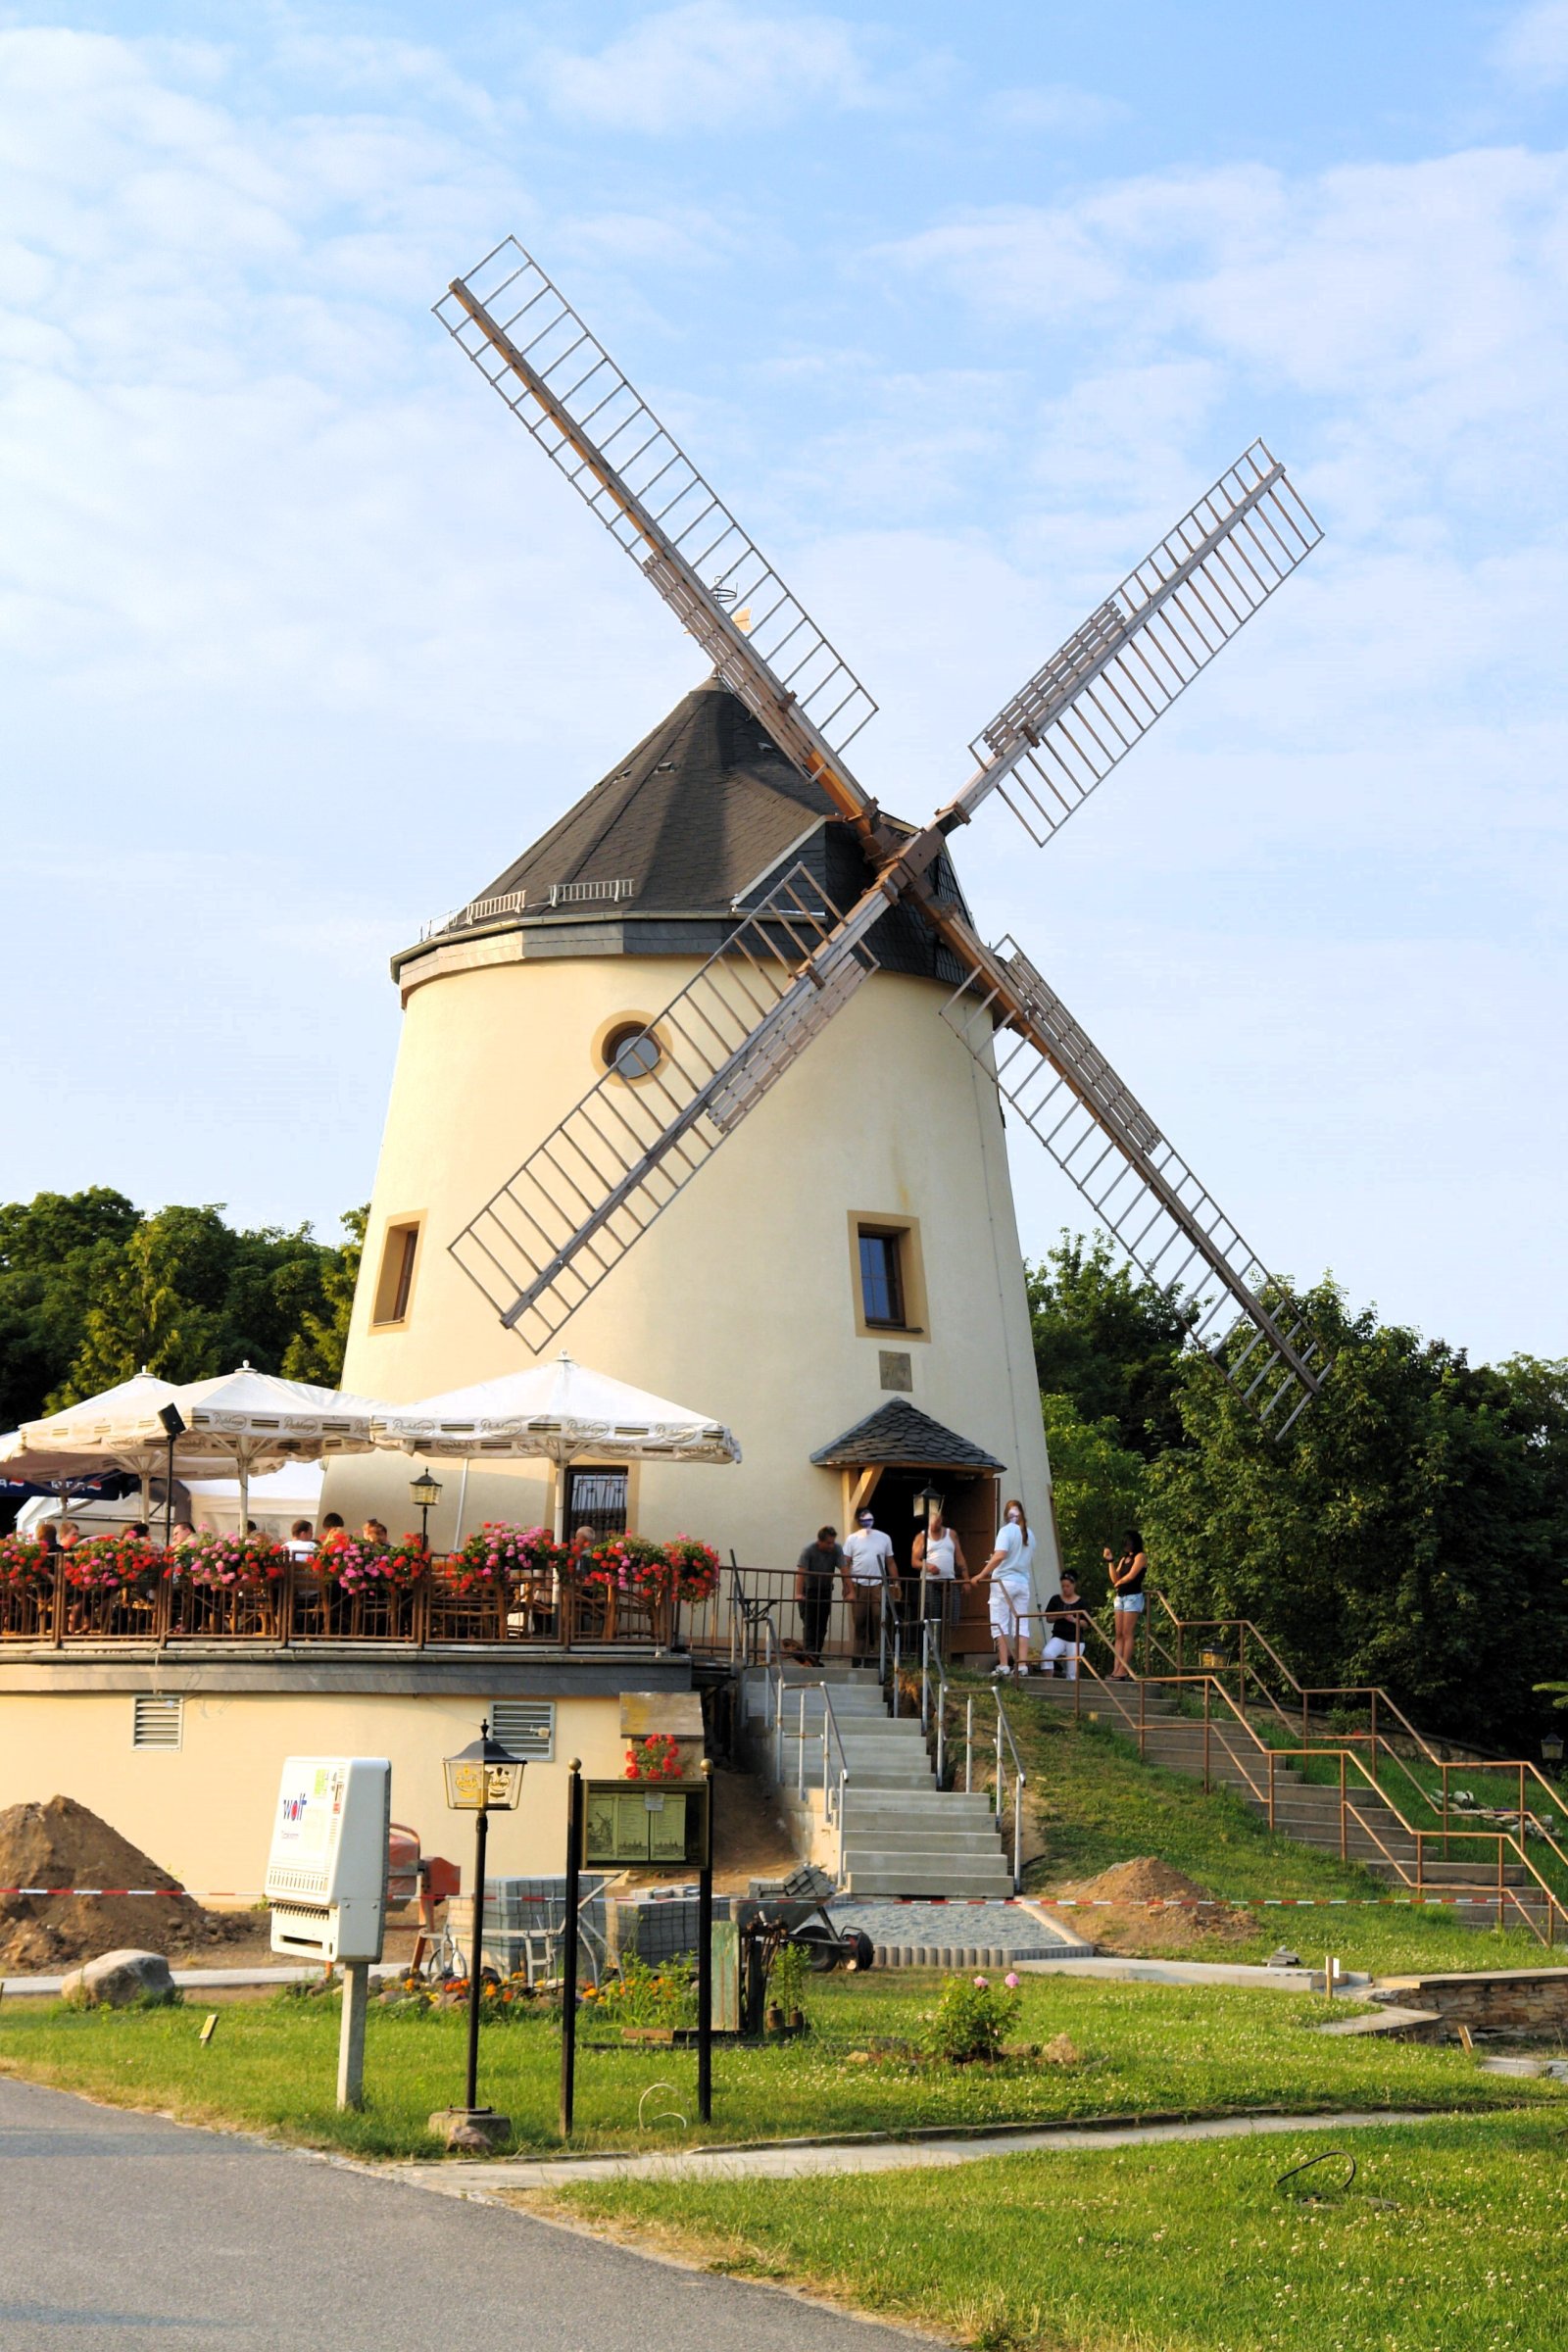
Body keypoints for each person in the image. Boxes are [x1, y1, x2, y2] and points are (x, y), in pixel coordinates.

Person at [978, 1498, 1036, 1679]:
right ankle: (1022, 1665)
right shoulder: (1030, 1534)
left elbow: (1000, 1556)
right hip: (1022, 1582)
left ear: (1006, 1515)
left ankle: (1003, 1664)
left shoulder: (1006, 1531)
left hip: (1003, 1582)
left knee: (1000, 1623)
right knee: (1021, 1623)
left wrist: (981, 1574)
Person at [842, 1505, 897, 1666]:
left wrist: (896, 1583)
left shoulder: (884, 1538)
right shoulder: (852, 1539)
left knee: (879, 1617)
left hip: (878, 1585)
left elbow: (890, 1562)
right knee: (859, 1621)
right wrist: (847, 1587)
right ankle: (858, 1658)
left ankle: (878, 1655)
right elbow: (845, 1562)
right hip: (858, 1584)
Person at [912, 1505, 966, 1642]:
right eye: (932, 1523)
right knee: (932, 1616)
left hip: (949, 1581)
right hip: (931, 1582)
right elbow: (914, 1561)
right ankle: (932, 1648)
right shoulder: (922, 1537)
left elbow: (959, 1557)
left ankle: (947, 1647)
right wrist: (928, 1566)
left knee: (953, 1615)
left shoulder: (951, 1534)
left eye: (937, 1522)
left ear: (941, 1520)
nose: (934, 1526)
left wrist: (966, 1579)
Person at [794, 1526, 844, 1665]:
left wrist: (849, 1590)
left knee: (821, 1625)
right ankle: (810, 1654)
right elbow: (801, 1573)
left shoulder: (837, 1549)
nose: (831, 1545)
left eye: (833, 1542)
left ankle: (814, 1656)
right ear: (819, 1542)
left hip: (825, 1590)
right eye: (828, 1543)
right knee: (810, 1623)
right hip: (808, 1590)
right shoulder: (808, 1550)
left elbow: (845, 1571)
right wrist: (798, 1594)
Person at [1105, 1528, 1148, 1678]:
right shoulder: (1124, 1559)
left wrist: (1120, 1583)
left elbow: (1131, 1576)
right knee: (1118, 1634)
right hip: (1121, 1597)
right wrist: (1110, 1561)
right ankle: (1116, 1669)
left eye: (1129, 1543)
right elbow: (1115, 1579)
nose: (1127, 1546)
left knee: (1127, 1633)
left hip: (1133, 1597)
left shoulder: (1141, 1557)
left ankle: (1123, 1670)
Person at [1039, 1567, 1085, 1679]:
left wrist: (1074, 1620)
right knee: (1047, 1653)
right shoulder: (1056, 1599)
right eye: (1063, 1586)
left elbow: (1086, 1623)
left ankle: (1072, 1689)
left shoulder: (1082, 1602)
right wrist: (1061, 1615)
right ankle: (1048, 1682)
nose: (1065, 1589)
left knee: (1072, 1669)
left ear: (1074, 1585)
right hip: (1059, 1636)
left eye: (1068, 1586)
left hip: (1075, 1638)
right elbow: (1048, 1618)